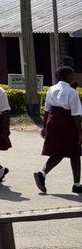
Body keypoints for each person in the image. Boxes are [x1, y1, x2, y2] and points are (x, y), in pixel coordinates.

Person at [34, 65, 82, 195]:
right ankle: (75, 184)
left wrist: (45, 127)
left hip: (53, 121)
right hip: (67, 123)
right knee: (74, 153)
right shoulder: (72, 92)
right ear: (69, 76)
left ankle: (43, 174)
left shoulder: (51, 89)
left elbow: (46, 110)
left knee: (61, 151)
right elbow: (76, 114)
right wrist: (79, 132)